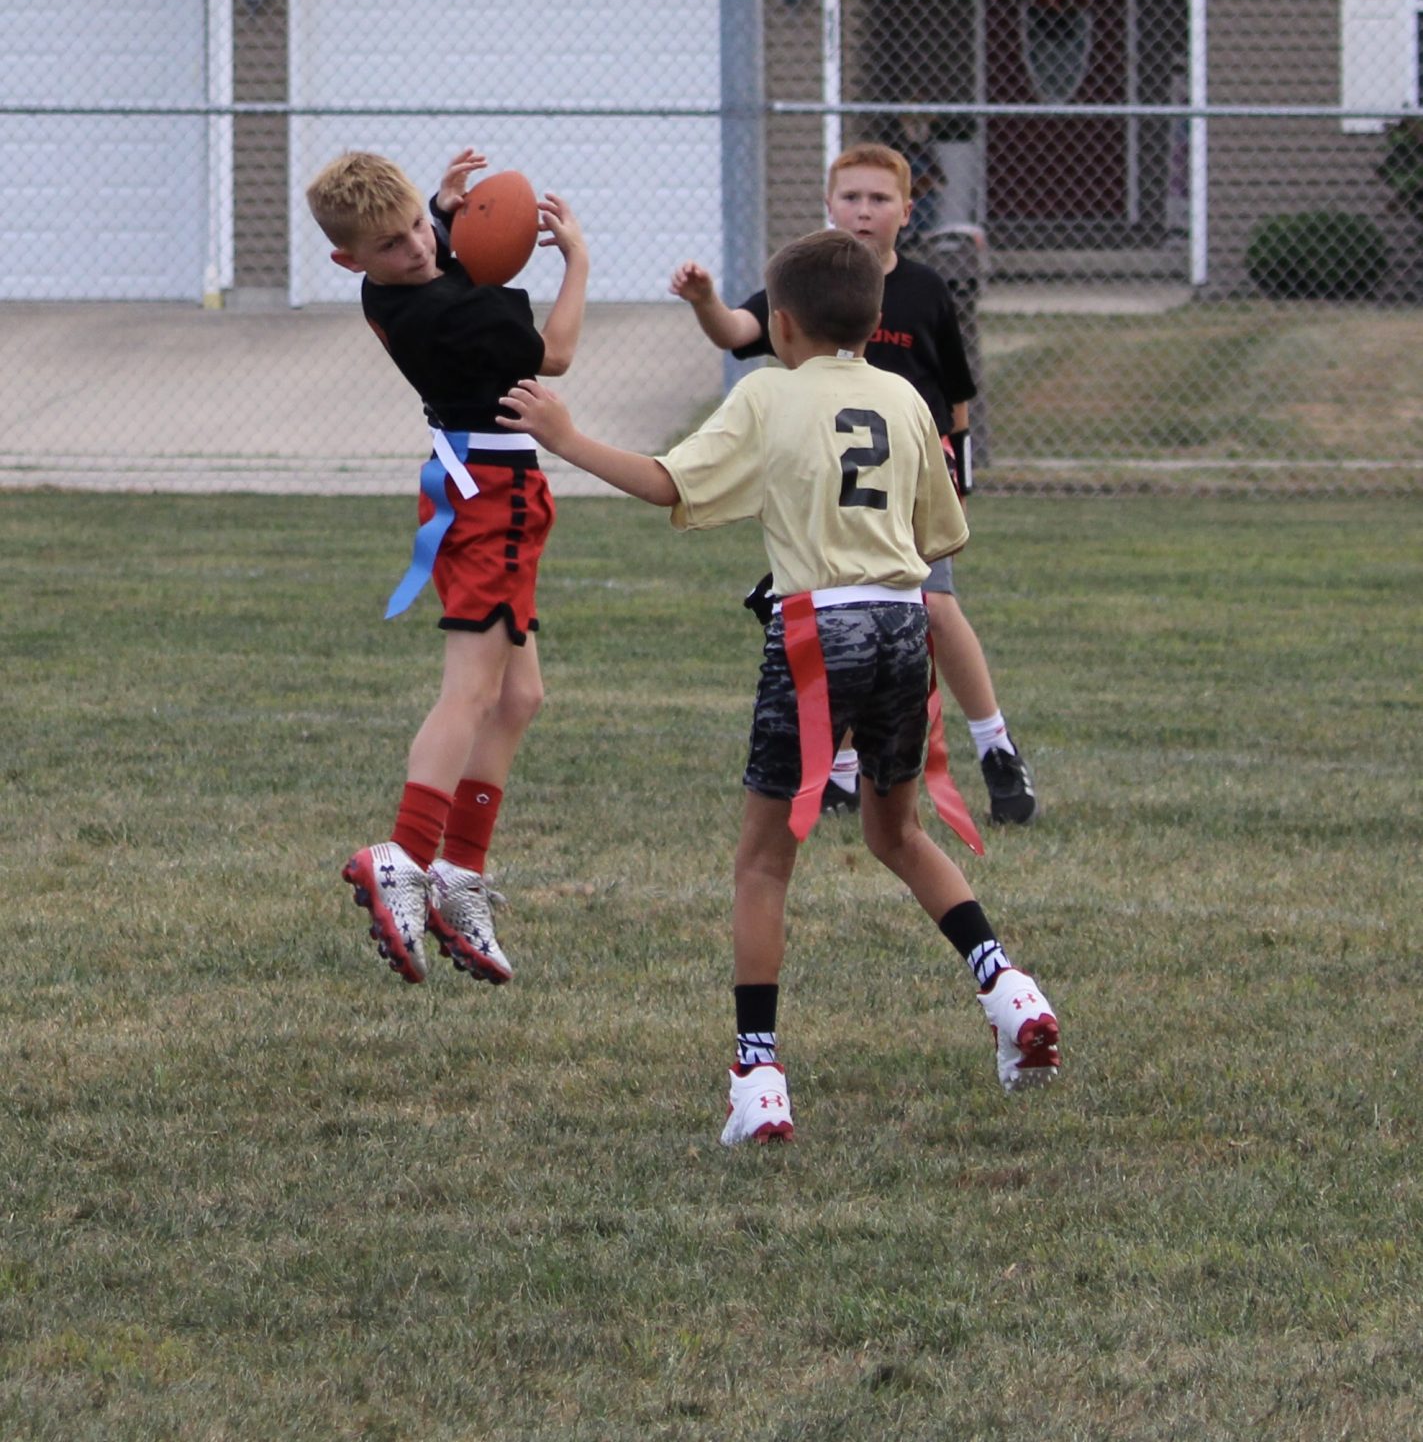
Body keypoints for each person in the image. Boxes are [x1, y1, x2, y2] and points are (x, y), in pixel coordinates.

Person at [500, 230, 1060, 1146]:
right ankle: (1008, 990)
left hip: (817, 633)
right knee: (897, 832)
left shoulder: (766, 393)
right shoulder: (904, 397)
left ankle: (757, 1077)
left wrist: (567, 438)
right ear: (873, 320)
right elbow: (939, 536)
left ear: (781, 325)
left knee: (764, 862)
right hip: (903, 625)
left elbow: (667, 483)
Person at [670, 141, 1037, 827]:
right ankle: (839, 771)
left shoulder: (925, 290)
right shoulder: (810, 282)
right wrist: (705, 300)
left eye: (878, 199)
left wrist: (956, 468)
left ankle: (995, 744)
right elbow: (738, 330)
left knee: (933, 604)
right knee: (836, 610)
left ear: (907, 210)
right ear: (828, 205)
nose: (863, 211)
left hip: (906, 477)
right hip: (829, 482)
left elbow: (956, 394)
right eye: (851, 197)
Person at [305, 145, 588, 987]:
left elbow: (430, 251)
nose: (418, 247)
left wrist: (442, 205)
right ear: (348, 262)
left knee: (519, 696)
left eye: (417, 228)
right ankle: (402, 856)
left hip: (482, 488)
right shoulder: (458, 316)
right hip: (489, 496)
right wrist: (576, 261)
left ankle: (458, 872)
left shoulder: (392, 284)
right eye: (392, 245)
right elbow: (555, 356)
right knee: (470, 692)